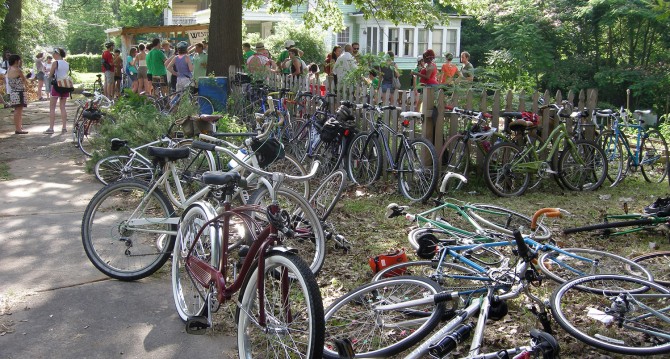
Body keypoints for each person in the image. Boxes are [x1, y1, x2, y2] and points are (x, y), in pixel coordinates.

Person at [46, 48, 69, 135]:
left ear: (57, 54)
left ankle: (51, 128)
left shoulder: (55, 63)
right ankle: (64, 127)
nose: (52, 55)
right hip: (65, 86)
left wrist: (49, 75)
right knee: (62, 107)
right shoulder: (67, 63)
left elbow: (51, 74)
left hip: (56, 86)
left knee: (52, 107)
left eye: (53, 53)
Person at [6, 54, 29, 134]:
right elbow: (24, 80)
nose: (20, 61)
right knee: (19, 111)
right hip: (19, 91)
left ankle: (19, 127)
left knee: (17, 110)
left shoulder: (9, 69)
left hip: (13, 91)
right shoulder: (18, 70)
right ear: (16, 61)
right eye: (19, 60)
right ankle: (18, 129)